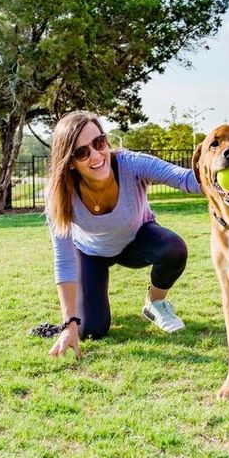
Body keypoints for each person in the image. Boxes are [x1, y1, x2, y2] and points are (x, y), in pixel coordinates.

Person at [45, 110, 201, 358]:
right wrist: (69, 324)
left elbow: (185, 179)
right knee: (92, 330)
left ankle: (155, 303)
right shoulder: (60, 194)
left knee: (173, 248)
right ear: (70, 161)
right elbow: (64, 261)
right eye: (82, 152)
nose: (96, 155)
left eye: (99, 142)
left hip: (136, 241)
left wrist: (225, 172)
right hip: (91, 253)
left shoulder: (132, 164)